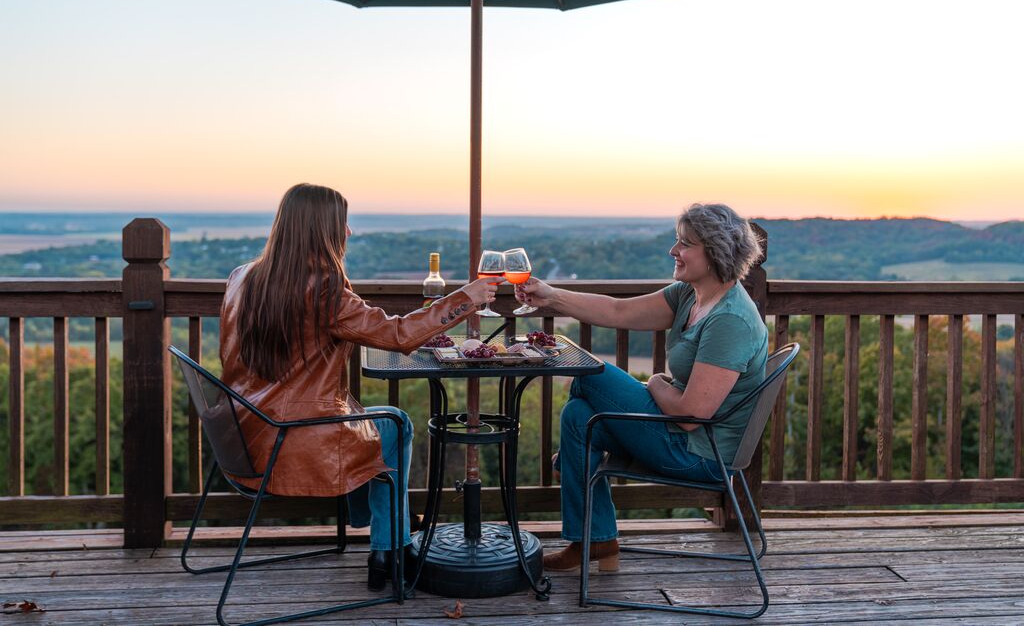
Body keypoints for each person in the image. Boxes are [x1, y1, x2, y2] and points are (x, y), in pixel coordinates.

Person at [219, 183, 501, 590]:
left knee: (366, 423)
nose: (348, 232)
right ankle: (390, 548)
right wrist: (466, 298)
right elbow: (400, 334)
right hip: (289, 441)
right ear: (322, 230)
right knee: (396, 423)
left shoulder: (241, 277)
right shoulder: (324, 292)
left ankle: (389, 531)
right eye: (342, 223)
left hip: (241, 434)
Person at [516, 203, 768, 573]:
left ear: (715, 253)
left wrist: (653, 381)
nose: (673, 251)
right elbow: (619, 312)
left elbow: (689, 415)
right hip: (672, 433)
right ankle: (594, 540)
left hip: (699, 453)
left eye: (685, 244)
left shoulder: (730, 319)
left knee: (591, 374)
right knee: (577, 416)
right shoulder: (690, 295)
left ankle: (576, 477)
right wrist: (552, 296)